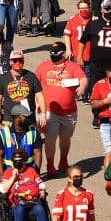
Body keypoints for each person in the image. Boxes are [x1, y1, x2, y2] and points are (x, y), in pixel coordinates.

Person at [35, 41, 87, 176]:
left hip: (69, 112)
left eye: (56, 52)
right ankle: (50, 165)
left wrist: (82, 87)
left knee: (65, 138)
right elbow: (34, 85)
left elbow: (83, 79)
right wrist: (37, 105)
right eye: (51, 52)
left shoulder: (72, 66)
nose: (52, 54)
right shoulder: (43, 66)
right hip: (50, 111)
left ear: (64, 54)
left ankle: (63, 161)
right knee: (50, 138)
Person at [0, 146, 51, 221]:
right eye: (15, 161)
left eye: (20, 161)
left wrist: (42, 190)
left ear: (24, 161)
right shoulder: (8, 173)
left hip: (32, 203)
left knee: (40, 208)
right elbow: (3, 189)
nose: (18, 163)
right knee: (19, 209)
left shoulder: (31, 171)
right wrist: (13, 177)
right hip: (16, 205)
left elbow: (40, 183)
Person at [0, 103, 43, 174]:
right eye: (25, 116)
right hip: (8, 172)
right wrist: (1, 175)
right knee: (0, 185)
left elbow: (38, 154)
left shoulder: (34, 133)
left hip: (28, 172)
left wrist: (36, 173)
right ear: (17, 117)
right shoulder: (2, 134)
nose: (28, 119)